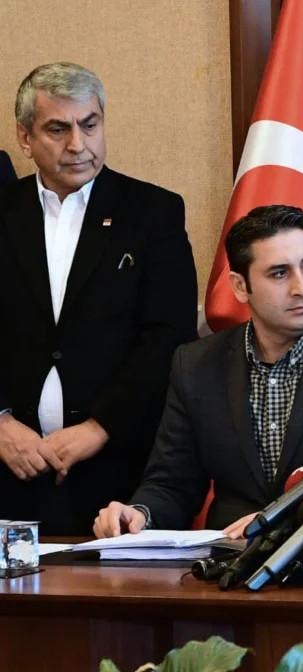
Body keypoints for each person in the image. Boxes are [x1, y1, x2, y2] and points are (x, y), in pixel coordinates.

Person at [93, 205, 303, 537]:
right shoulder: (196, 364)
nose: (301, 287)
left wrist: (282, 521)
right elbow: (172, 483)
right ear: (240, 286)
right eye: (279, 273)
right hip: (228, 561)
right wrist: (139, 514)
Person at [0, 62, 197, 534]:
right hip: (10, 467)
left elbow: (168, 336)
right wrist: (0, 423)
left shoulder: (153, 212)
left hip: (116, 470)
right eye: (58, 129)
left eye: (90, 125)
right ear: (25, 138)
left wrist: (99, 427)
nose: (78, 144)